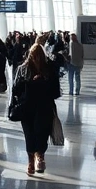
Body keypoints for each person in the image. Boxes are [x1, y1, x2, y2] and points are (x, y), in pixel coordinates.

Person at [12, 44, 60, 176]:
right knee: (32, 135)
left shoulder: (49, 70)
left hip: (40, 108)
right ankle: (33, 160)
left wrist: (42, 83)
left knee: (39, 134)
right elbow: (16, 89)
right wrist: (30, 83)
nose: (37, 59)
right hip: (31, 108)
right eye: (35, 56)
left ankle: (38, 158)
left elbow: (55, 91)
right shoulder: (23, 69)